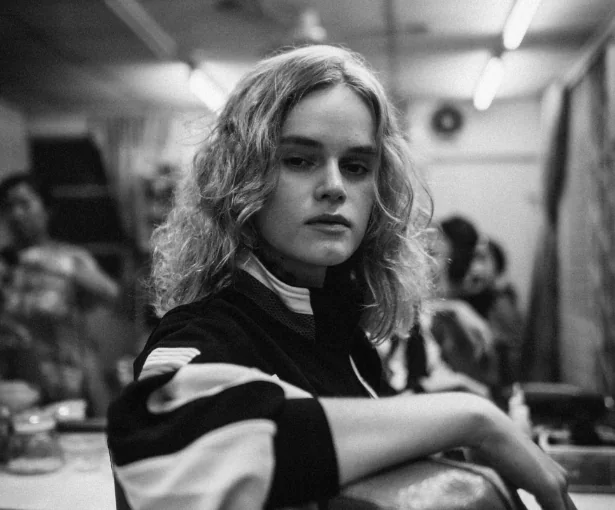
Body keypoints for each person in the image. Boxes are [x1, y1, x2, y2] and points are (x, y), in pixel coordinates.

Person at [106, 45, 574, 510]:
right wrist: (472, 418)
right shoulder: (205, 333)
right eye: (299, 160)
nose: (334, 186)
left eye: (355, 167)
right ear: (239, 178)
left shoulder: (344, 336)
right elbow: (159, 454)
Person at [0, 173, 120, 416]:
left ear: (46, 209)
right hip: (17, 391)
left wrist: (52, 263)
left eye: (24, 204)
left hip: (70, 387)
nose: (16, 214)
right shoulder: (4, 265)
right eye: (8, 207)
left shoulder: (70, 258)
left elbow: (111, 293)